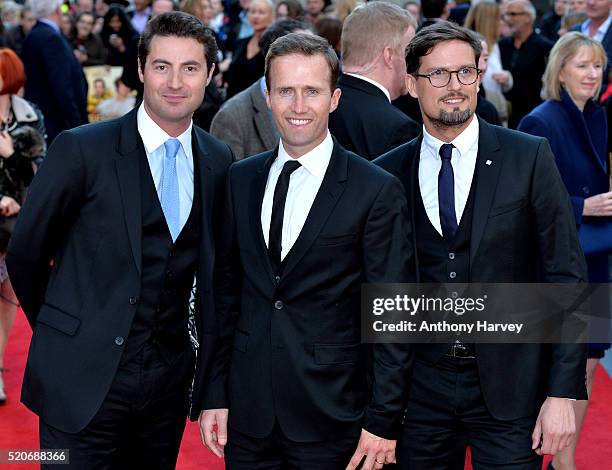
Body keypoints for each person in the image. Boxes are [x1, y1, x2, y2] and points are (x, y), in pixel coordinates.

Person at [6, 12, 233, 469]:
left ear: (209, 74)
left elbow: (214, 275)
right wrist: (65, 330)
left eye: (190, 67)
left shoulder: (218, 159)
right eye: (162, 65)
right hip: (79, 382)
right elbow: (27, 253)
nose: (174, 81)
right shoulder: (81, 149)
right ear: (140, 68)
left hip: (165, 389)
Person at [375, 21, 588, 469]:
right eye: (437, 75)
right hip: (419, 395)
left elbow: (567, 275)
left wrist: (563, 390)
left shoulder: (529, 156)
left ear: (479, 74)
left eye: (465, 73)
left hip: (513, 387)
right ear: (411, 84)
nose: (454, 87)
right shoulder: (387, 173)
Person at [199, 32, 413, 470]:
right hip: (248, 416)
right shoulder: (239, 181)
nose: (299, 106)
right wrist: (213, 394)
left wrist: (384, 420)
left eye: (312, 91)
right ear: (268, 96)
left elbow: (392, 315)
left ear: (334, 99)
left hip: (335, 416)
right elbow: (223, 296)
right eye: (286, 91)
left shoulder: (374, 190)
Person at [518, 32, 611, 470]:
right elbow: (525, 198)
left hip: (596, 258)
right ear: (560, 69)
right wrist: (583, 206)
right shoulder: (541, 120)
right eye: (582, 65)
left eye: (597, 65)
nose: (592, 74)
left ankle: (565, 462)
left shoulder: (597, 116)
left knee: (590, 363)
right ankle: (538, 456)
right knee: (558, 366)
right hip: (560, 263)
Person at [0, 47, 46, 406]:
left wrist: (11, 154)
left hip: (15, 225)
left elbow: (41, 172)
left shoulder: (30, 118)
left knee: (6, 303)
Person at [329, 2, 420, 160]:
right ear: (389, 56)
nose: (415, 62)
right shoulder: (398, 129)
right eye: (410, 52)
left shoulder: (321, 105)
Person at [210, 18, 310, 159]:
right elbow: (226, 177)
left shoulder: (323, 101)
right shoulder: (232, 117)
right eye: (305, 53)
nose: (313, 60)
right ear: (273, 59)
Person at [22, 0, 88, 144]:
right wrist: (78, 124)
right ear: (57, 9)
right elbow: (62, 85)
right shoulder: (50, 38)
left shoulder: (36, 34)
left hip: (47, 120)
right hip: (57, 123)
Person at [499, 0, 553, 128]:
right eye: (505, 15)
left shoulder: (545, 47)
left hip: (533, 115)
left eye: (512, 14)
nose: (507, 19)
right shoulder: (502, 45)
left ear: (528, 17)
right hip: (505, 116)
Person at [464, 1, 513, 125]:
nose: (503, 22)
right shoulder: (464, 46)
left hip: (494, 106)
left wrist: (507, 78)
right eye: (499, 18)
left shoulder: (495, 45)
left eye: (485, 59)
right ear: (489, 21)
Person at [225, 0, 274, 98]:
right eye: (252, 12)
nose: (256, 16)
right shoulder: (240, 43)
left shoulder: (274, 47)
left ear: (272, 16)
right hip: (232, 102)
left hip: (260, 104)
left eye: (261, 12)